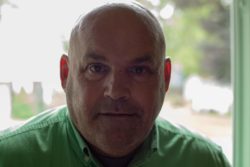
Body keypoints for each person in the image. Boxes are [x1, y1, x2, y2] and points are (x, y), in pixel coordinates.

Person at [0, 2, 231, 167]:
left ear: (165, 78)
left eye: (138, 70)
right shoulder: (8, 158)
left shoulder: (204, 161)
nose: (116, 91)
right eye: (96, 68)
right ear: (65, 74)